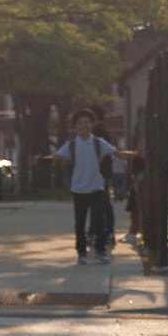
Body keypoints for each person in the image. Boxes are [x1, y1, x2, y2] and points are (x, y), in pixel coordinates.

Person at [57, 108, 118, 265]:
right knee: (80, 222)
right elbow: (56, 157)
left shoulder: (99, 143)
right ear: (75, 126)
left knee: (99, 220)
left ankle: (100, 251)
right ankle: (82, 252)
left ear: (92, 124)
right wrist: (41, 159)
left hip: (97, 187)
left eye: (86, 122)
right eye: (79, 123)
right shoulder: (71, 146)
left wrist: (136, 154)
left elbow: (118, 153)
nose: (83, 125)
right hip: (79, 189)